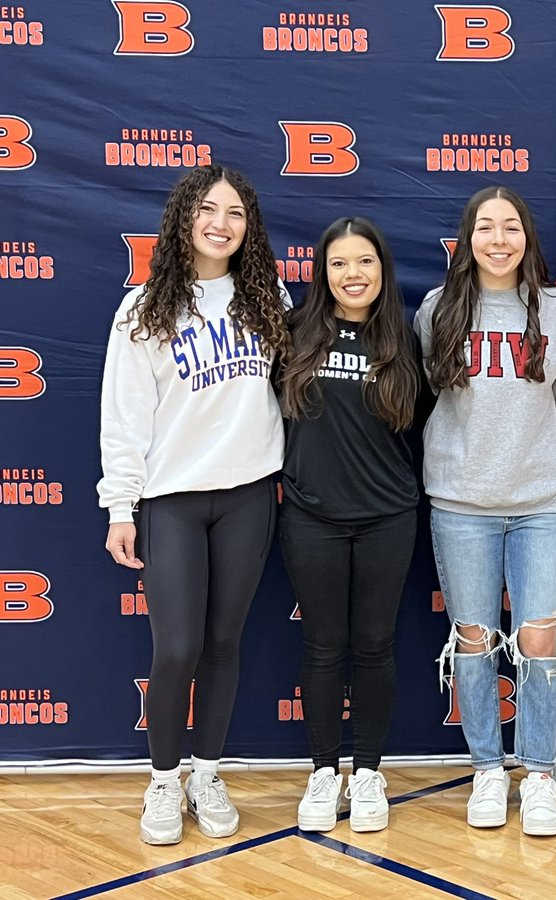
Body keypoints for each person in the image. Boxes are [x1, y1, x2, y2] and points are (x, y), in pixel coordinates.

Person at [98, 164, 290, 844]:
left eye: (235, 213)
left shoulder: (268, 299)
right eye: (208, 209)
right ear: (185, 219)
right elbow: (123, 419)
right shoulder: (143, 308)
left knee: (222, 644)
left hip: (246, 495)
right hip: (172, 499)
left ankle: (207, 772)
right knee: (176, 646)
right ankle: (163, 780)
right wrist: (121, 506)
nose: (221, 222)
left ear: (249, 227)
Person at [416, 186, 556, 837]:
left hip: (541, 500)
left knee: (540, 639)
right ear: (468, 238)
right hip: (462, 501)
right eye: (486, 227)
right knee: (475, 640)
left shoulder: (554, 308)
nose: (499, 239)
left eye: (511, 226)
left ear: (526, 237)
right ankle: (488, 769)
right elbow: (431, 390)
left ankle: (539, 772)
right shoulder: (439, 310)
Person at [276, 218, 424, 833]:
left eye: (365, 261)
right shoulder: (293, 333)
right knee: (322, 647)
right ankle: (321, 772)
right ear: (322, 271)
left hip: (388, 515)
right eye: (339, 263)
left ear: (382, 269)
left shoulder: (406, 338)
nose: (353, 274)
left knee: (374, 647)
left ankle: (366, 773)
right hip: (312, 516)